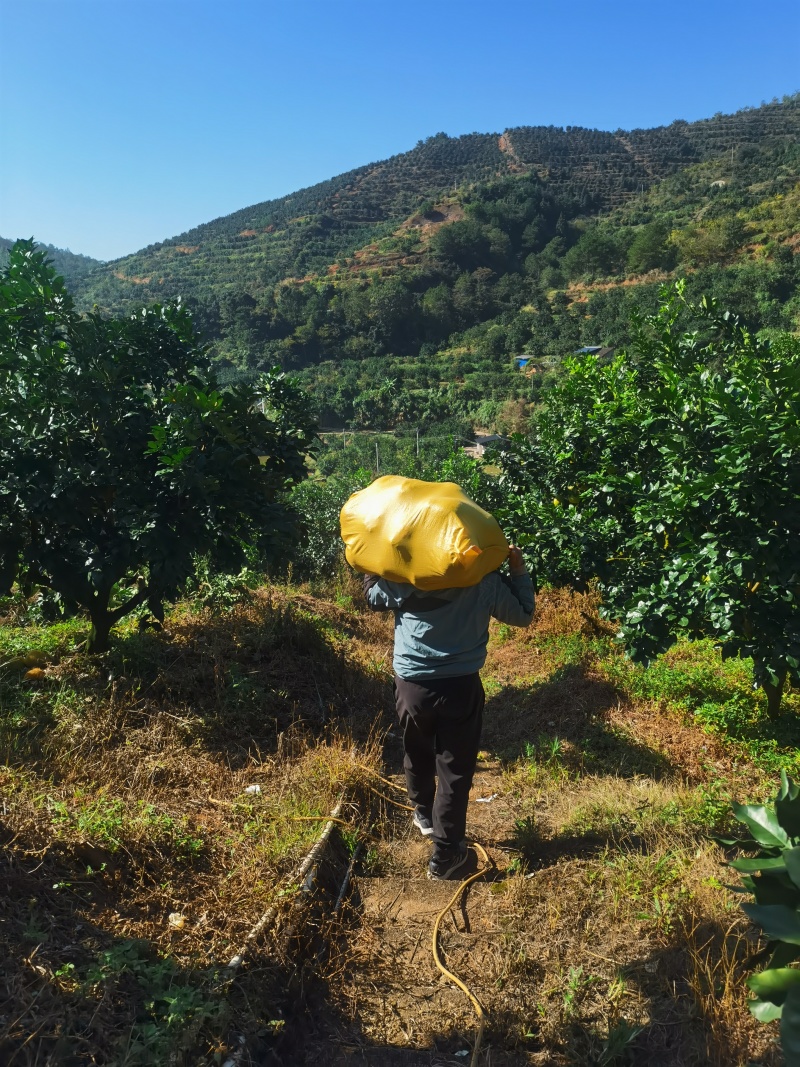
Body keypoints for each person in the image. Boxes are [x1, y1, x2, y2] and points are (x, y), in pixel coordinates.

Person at [362, 546, 534, 880]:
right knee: (454, 769)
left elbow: (372, 598)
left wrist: (372, 562)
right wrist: (518, 569)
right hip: (460, 686)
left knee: (417, 746)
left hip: (412, 684)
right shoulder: (481, 579)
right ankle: (445, 856)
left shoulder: (408, 574)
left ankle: (424, 812)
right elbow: (523, 615)